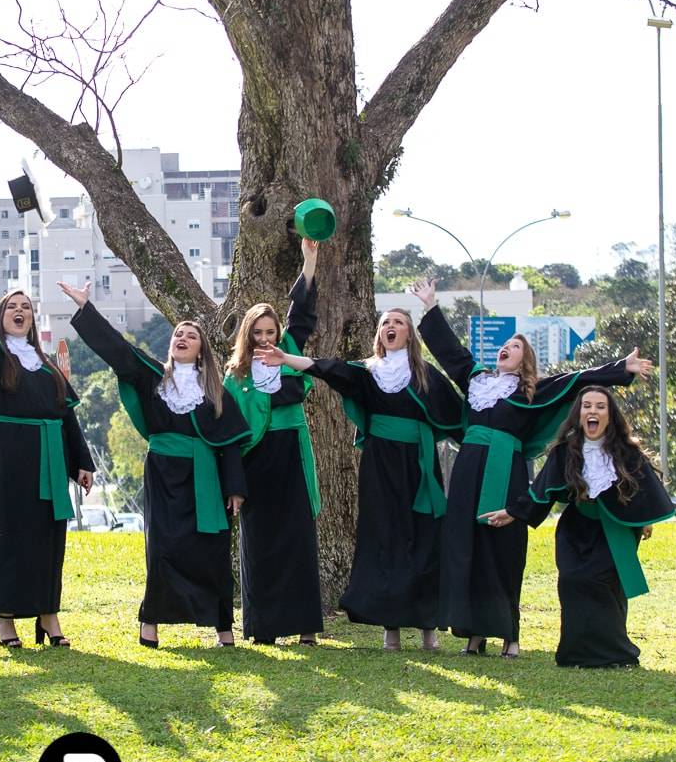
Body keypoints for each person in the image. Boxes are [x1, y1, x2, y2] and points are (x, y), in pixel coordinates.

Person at [415, 278, 653, 657]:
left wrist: (620, 368)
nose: (506, 349)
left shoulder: (532, 391)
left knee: (503, 546)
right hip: (467, 473)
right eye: (505, 345)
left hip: (506, 471)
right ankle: (474, 634)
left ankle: (509, 634)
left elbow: (579, 379)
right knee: (466, 546)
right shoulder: (477, 380)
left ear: (525, 360)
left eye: (515, 347)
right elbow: (451, 353)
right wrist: (430, 306)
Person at [259, 289, 465, 652]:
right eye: (386, 321)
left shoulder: (426, 375)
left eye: (398, 322)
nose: (391, 326)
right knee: (383, 539)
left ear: (409, 334)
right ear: (379, 333)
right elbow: (328, 369)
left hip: (419, 464)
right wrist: (287, 359)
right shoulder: (369, 371)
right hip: (380, 464)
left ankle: (428, 630)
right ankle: (391, 630)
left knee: (423, 539)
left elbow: (459, 414)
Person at [62, 279, 251, 648]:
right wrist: (87, 309)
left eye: (190, 336)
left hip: (204, 478)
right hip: (163, 474)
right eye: (178, 333)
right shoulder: (152, 376)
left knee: (210, 550)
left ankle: (222, 628)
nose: (181, 337)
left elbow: (229, 446)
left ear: (201, 351)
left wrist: (235, 488)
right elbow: (119, 350)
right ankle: (151, 622)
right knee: (163, 548)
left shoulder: (216, 392)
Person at [0, 259, 95, 648]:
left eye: (26, 308)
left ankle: (47, 613)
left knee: (47, 536)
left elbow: (63, 414)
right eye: (12, 307)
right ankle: (4, 618)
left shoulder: (46, 365)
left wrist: (82, 462)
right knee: (7, 534)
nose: (20, 312)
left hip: (48, 456)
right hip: (6, 454)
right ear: (0, 316)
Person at [509, 385, 675, 667]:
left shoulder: (627, 452)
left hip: (616, 528)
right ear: (579, 413)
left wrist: (644, 519)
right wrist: (512, 512)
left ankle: (615, 653)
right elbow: (542, 490)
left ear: (610, 415)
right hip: (576, 527)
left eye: (600, 406)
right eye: (587, 406)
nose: (593, 411)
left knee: (605, 586)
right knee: (572, 580)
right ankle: (576, 652)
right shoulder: (565, 451)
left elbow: (647, 487)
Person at [225, 236, 324, 645]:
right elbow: (230, 435)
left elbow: (301, 313)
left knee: (299, 540)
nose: (266, 338)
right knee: (260, 543)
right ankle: (263, 627)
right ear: (248, 334)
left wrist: (310, 260)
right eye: (259, 332)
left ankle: (305, 629)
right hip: (257, 461)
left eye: (271, 331)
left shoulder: (290, 354)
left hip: (292, 455)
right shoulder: (236, 377)